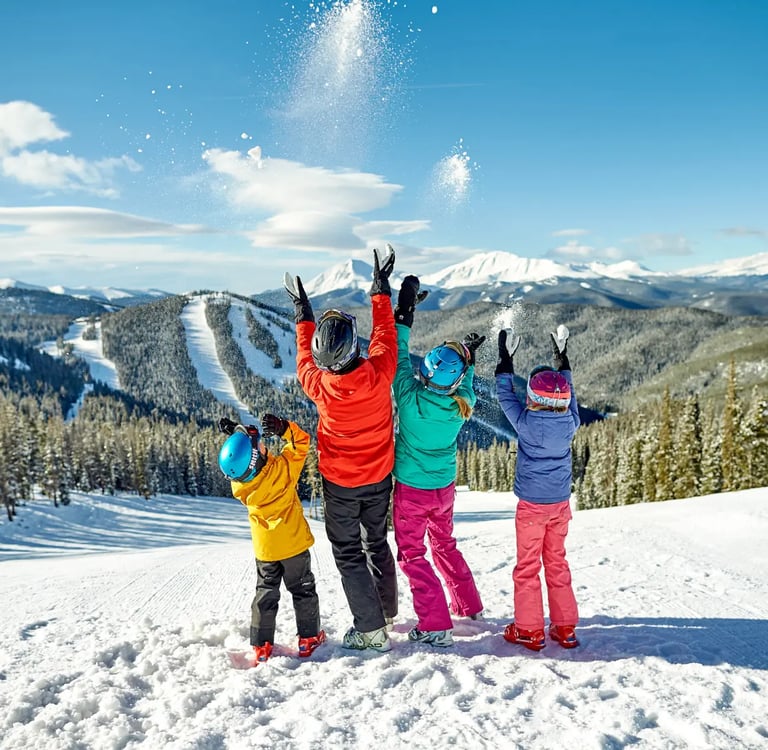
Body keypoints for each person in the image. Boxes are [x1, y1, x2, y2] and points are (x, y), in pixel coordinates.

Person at [283, 247, 399, 653]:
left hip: (341, 486)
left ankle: (371, 630)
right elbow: (385, 333)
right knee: (376, 542)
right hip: (380, 477)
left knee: (349, 553)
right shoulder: (380, 372)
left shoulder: (317, 385)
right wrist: (379, 289)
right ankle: (384, 612)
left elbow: (302, 359)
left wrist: (302, 312)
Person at [391, 275, 485, 648]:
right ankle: (468, 606)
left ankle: (434, 624)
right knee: (444, 545)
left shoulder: (409, 395)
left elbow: (398, 354)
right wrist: (470, 358)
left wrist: (405, 313)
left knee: (413, 554)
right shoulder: (462, 404)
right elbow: (466, 383)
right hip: (443, 490)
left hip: (412, 491)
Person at [494, 327, 581, 651]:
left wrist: (506, 360)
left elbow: (505, 396)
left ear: (531, 397)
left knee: (528, 567)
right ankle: (565, 627)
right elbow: (569, 389)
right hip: (560, 506)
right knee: (557, 562)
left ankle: (529, 630)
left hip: (531, 507)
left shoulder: (527, 423)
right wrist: (562, 358)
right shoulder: (570, 422)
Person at [217, 413, 325, 663]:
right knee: (303, 590)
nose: (265, 444)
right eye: (262, 446)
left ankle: (261, 645)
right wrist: (285, 428)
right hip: (294, 545)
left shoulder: (241, 485)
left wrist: (237, 434)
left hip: (266, 550)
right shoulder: (282, 470)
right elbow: (301, 442)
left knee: (265, 594)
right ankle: (309, 638)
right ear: (257, 457)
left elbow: (241, 460)